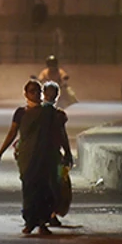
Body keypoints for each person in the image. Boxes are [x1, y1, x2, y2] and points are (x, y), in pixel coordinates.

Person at [0, 79, 67, 235]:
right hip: (27, 157)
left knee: (45, 190)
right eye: (32, 91)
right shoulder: (21, 113)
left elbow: (59, 133)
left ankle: (42, 222)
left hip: (45, 157)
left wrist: (67, 151)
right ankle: (30, 222)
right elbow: (12, 133)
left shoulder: (50, 112)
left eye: (38, 91)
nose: (35, 94)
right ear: (25, 94)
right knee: (29, 189)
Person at [41, 81, 74, 227]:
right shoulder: (57, 115)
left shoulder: (37, 112)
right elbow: (62, 135)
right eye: (49, 93)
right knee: (55, 185)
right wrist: (67, 152)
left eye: (52, 94)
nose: (50, 96)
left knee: (50, 185)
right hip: (49, 154)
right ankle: (49, 215)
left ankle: (46, 215)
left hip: (45, 155)